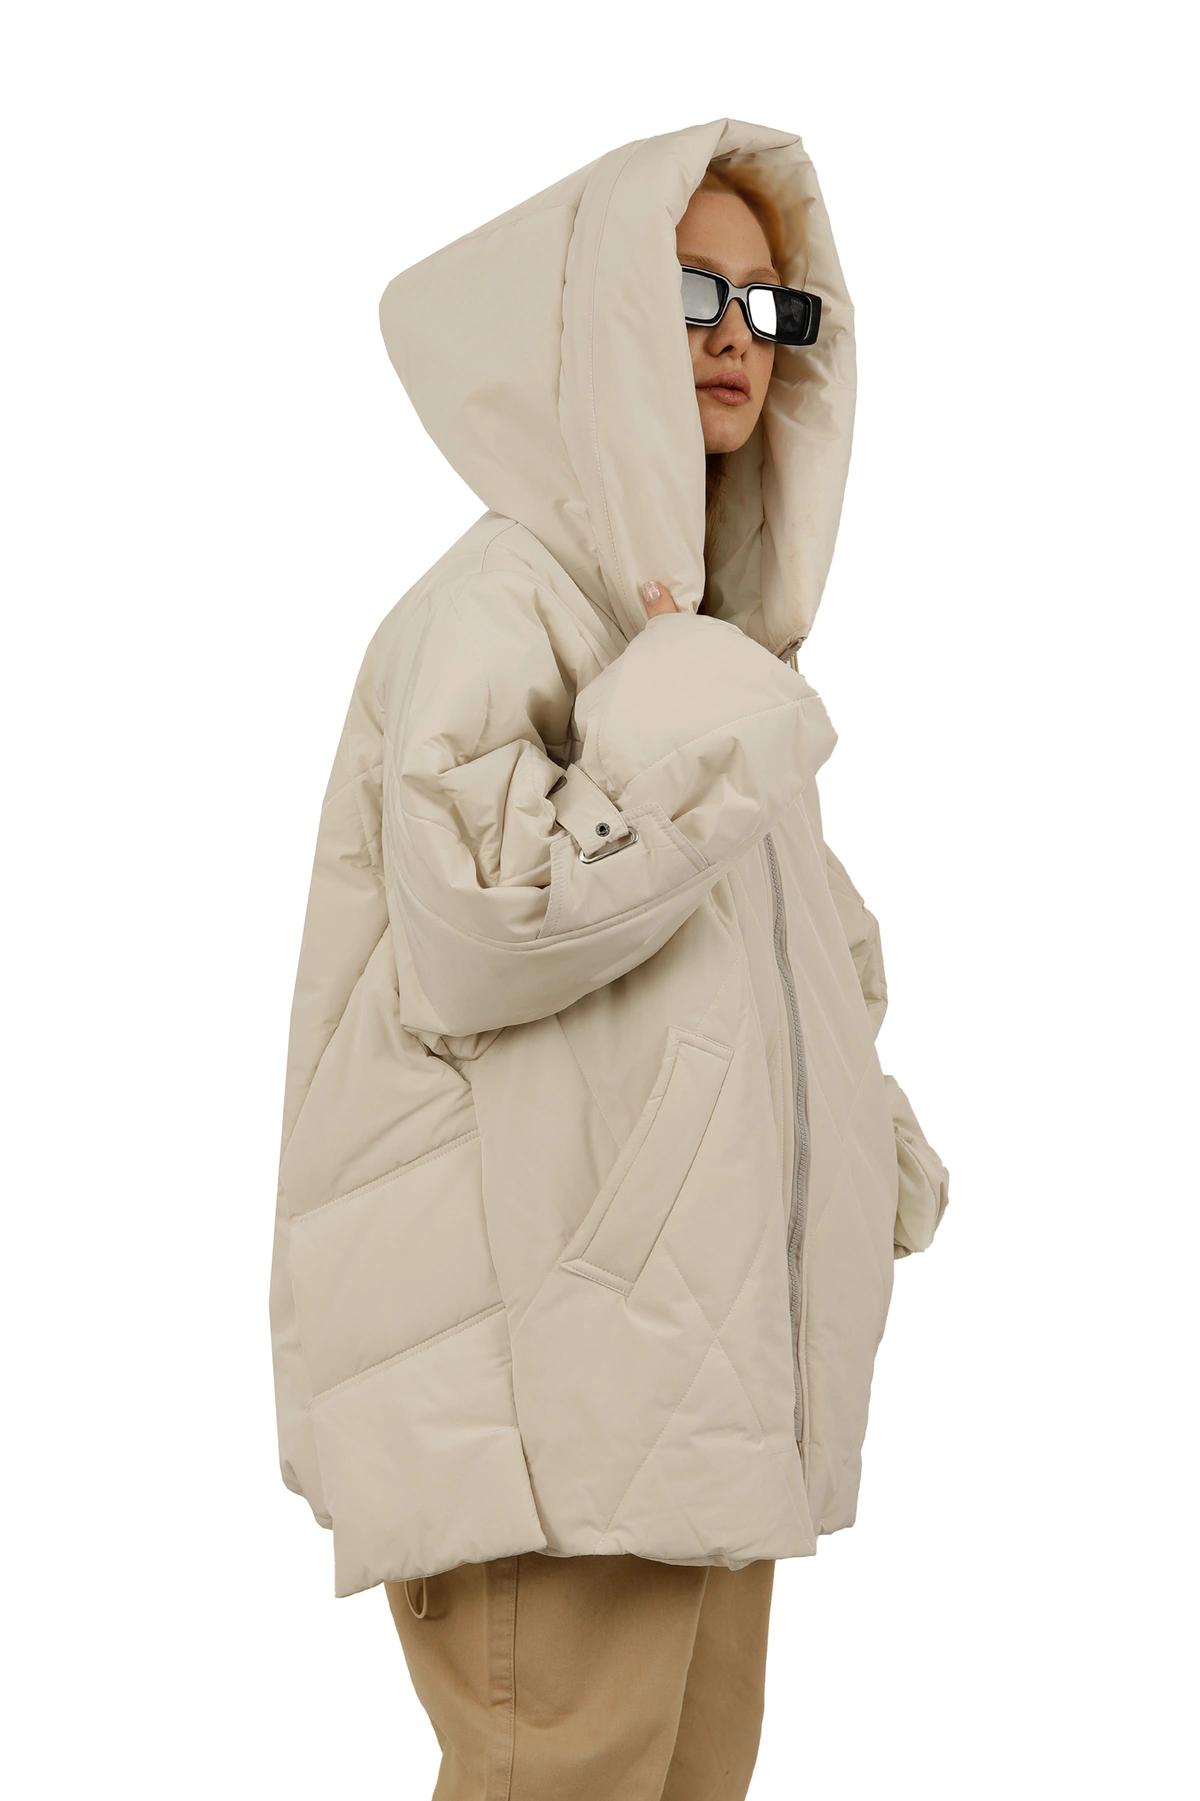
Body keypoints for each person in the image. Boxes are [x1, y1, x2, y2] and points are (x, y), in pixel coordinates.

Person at [269, 116, 950, 1800]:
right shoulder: (504, 605)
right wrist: (695, 694)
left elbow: (767, 974)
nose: (739, 334)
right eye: (694, 287)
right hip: (547, 1395)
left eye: (772, 304)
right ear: (597, 317)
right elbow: (486, 919)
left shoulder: (702, 650)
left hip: (687, 1380)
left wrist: (856, 1138)